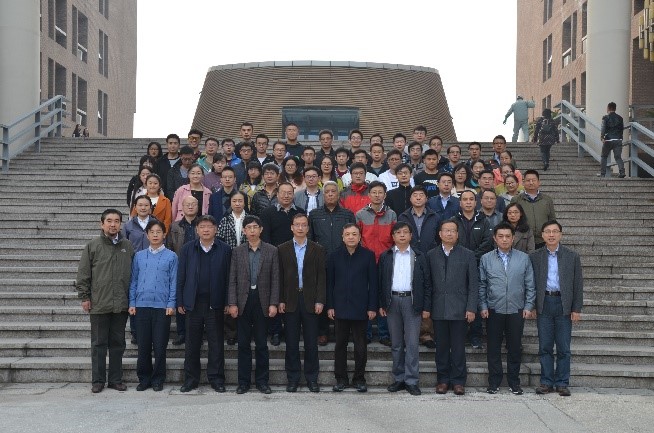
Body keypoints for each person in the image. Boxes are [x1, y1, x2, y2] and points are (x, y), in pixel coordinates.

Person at [76, 209, 134, 393]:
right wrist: (85, 297)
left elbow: (133, 275)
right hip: (99, 303)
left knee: (118, 344)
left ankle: (115, 379)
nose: (113, 224)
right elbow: (83, 274)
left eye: (116, 221)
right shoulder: (92, 246)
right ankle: (98, 380)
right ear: (102, 224)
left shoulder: (127, 246)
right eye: (109, 221)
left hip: (121, 304)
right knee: (98, 344)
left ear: (120, 224)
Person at [479, 222, 536, 395]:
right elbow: (482, 284)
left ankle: (514, 382)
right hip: (493, 308)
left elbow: (530, 284)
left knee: (515, 348)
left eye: (508, 236)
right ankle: (494, 382)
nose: (504, 239)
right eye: (501, 236)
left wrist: (528, 305)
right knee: (493, 348)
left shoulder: (523, 258)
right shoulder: (486, 259)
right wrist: (483, 305)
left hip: (516, 308)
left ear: (513, 238)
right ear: (495, 238)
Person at [177, 215, 232, 393]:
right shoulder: (187, 249)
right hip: (193, 303)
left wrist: (227, 301)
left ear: (215, 229)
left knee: (216, 343)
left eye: (209, 226)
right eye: (202, 226)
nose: (206, 230)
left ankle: (217, 379)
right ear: (197, 230)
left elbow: (229, 277)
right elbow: (181, 276)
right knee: (192, 344)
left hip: (215, 303)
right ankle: (191, 379)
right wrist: (180, 300)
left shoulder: (224, 249)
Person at [228, 215, 280, 394]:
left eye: (255, 227)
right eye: (248, 227)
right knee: (243, 344)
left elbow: (275, 279)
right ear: (244, 231)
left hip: (262, 300)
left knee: (261, 344)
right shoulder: (237, 252)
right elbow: (232, 279)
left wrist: (273, 303)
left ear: (261, 229)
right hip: (243, 301)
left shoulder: (272, 251)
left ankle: (262, 382)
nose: (252, 230)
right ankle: (243, 382)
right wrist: (232, 303)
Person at [531, 220, 583, 397]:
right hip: (544, 302)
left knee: (563, 347)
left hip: (563, 304)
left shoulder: (572, 256)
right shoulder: (535, 256)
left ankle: (562, 382)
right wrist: (532, 305)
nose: (551, 235)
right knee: (545, 346)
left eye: (555, 231)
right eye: (548, 231)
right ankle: (546, 382)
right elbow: (530, 283)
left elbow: (578, 284)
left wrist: (576, 308)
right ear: (542, 235)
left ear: (561, 234)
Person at [378, 222, 431, 396]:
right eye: (398, 232)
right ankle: (399, 378)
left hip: (412, 301)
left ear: (410, 236)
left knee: (412, 343)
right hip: (392, 301)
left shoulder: (419, 256)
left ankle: (412, 380)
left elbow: (427, 283)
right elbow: (381, 281)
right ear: (393, 236)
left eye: (405, 232)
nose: (402, 235)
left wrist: (426, 306)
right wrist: (381, 304)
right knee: (396, 343)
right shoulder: (386, 256)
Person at [427, 219, 479, 395]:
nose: (449, 233)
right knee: (441, 347)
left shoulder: (467, 255)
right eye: (446, 230)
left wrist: (471, 308)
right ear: (440, 234)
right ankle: (442, 380)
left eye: (453, 231)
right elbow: (428, 284)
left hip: (460, 309)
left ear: (457, 234)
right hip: (438, 308)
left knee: (458, 348)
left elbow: (473, 284)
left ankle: (458, 381)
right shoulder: (431, 255)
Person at [278, 213, 326, 393]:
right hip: (290, 300)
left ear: (308, 228)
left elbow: (321, 277)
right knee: (291, 343)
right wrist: (280, 299)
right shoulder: (282, 249)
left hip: (310, 300)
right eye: (297, 224)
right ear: (291, 227)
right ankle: (293, 379)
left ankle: (312, 379)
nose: (300, 228)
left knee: (311, 343)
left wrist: (320, 300)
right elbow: (279, 276)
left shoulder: (317, 249)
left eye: (303, 225)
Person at [327, 224, 378, 392]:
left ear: (359, 237)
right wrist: (330, 306)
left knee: (360, 346)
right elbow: (330, 284)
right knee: (340, 345)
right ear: (342, 237)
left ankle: (359, 378)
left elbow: (373, 284)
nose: (351, 237)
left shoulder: (368, 256)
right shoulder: (334, 256)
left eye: (354, 234)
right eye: (347, 234)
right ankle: (341, 378)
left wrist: (372, 307)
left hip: (360, 308)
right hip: (340, 307)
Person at [128, 220, 177, 392]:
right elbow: (133, 280)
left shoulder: (172, 256)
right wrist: (132, 302)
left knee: (160, 345)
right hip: (141, 306)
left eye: (158, 232)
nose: (155, 235)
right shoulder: (139, 256)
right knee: (143, 346)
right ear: (147, 235)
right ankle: (144, 378)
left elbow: (174, 282)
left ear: (164, 234)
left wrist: (171, 303)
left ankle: (158, 379)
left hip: (162, 307)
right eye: (152, 232)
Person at [309, 181, 356, 346]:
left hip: (342, 261)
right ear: (323, 195)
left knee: (341, 295)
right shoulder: (314, 214)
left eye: (333, 191)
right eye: (327, 192)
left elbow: (353, 237)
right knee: (321, 295)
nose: (330, 194)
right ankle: (322, 332)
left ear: (338, 194)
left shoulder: (347, 214)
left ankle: (341, 330)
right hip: (321, 262)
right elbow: (310, 239)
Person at [356, 181, 396, 345]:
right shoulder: (360, 214)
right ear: (369, 195)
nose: (377, 195)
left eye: (380, 192)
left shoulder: (392, 214)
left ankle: (384, 333)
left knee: (384, 295)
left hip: (386, 259)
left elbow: (395, 238)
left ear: (385, 195)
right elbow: (357, 237)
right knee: (366, 294)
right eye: (374, 192)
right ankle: (365, 333)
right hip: (366, 259)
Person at [453, 190, 493, 349]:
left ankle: (476, 335)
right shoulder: (453, 221)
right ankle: (461, 333)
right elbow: (451, 241)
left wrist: (471, 257)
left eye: (471, 199)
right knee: (459, 298)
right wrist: (463, 258)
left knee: (476, 299)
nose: (468, 202)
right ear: (460, 202)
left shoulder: (484, 221)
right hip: (457, 265)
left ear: (476, 203)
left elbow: (487, 242)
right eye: (465, 199)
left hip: (478, 265)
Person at [166, 195, 199, 346]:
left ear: (198, 207)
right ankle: (181, 332)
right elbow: (170, 246)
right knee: (181, 299)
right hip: (181, 266)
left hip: (200, 266)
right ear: (182, 207)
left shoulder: (203, 224)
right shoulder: (175, 226)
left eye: (193, 204)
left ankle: (197, 333)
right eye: (187, 204)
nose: (190, 207)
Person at [122, 195, 156, 344]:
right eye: (140, 205)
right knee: (134, 297)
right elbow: (123, 246)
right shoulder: (128, 226)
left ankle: (152, 331)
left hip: (154, 266)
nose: (143, 208)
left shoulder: (156, 224)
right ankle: (135, 332)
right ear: (135, 207)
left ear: (150, 208)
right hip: (134, 266)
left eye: (146, 205)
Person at [511, 169, 556, 249]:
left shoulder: (547, 200)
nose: (531, 183)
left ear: (539, 182)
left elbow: (552, 219)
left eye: (533, 180)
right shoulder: (516, 200)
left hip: (543, 240)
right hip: (523, 240)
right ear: (523, 183)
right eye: (528, 180)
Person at [599, 101, 626, 178]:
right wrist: (620, 137)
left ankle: (602, 174)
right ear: (615, 109)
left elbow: (603, 128)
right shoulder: (620, 118)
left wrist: (602, 137)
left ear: (608, 108)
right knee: (618, 157)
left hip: (608, 140)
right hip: (618, 140)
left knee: (604, 156)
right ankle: (622, 172)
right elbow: (622, 128)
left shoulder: (605, 118)